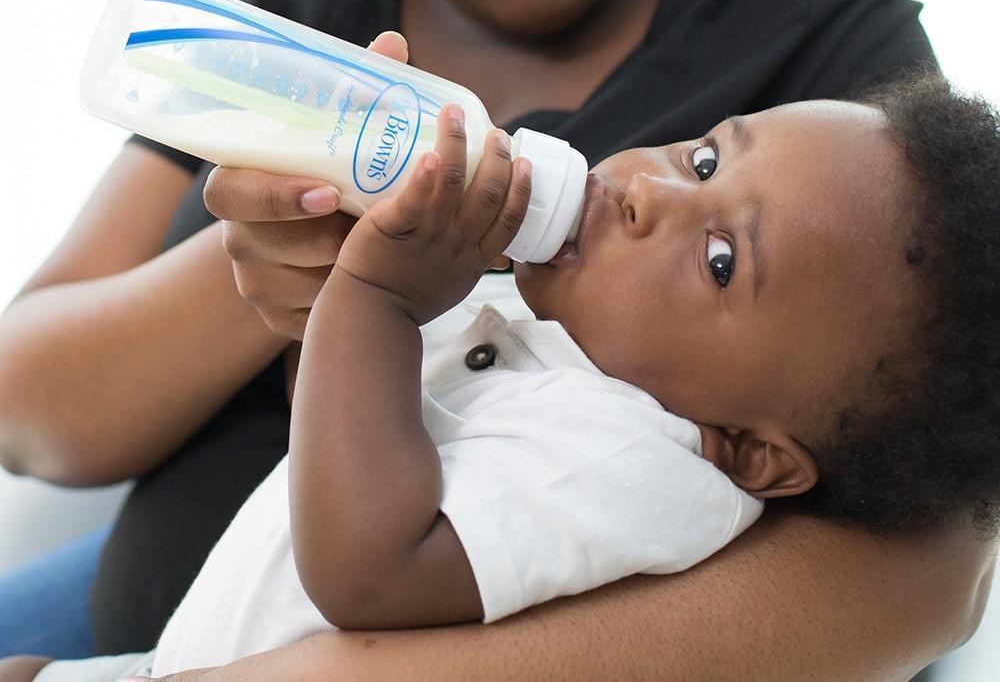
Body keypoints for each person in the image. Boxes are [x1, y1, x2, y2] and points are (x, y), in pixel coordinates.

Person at [0, 0, 993, 676]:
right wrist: (272, 267)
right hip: (144, 615)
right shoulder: (296, 11)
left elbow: (936, 550)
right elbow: (25, 404)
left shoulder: (813, 18)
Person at [5, 73, 1000, 682]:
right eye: (703, 159)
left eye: (723, 262)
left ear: (754, 451)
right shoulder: (571, 339)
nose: (649, 190)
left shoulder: (639, 463)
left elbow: (370, 571)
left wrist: (372, 303)